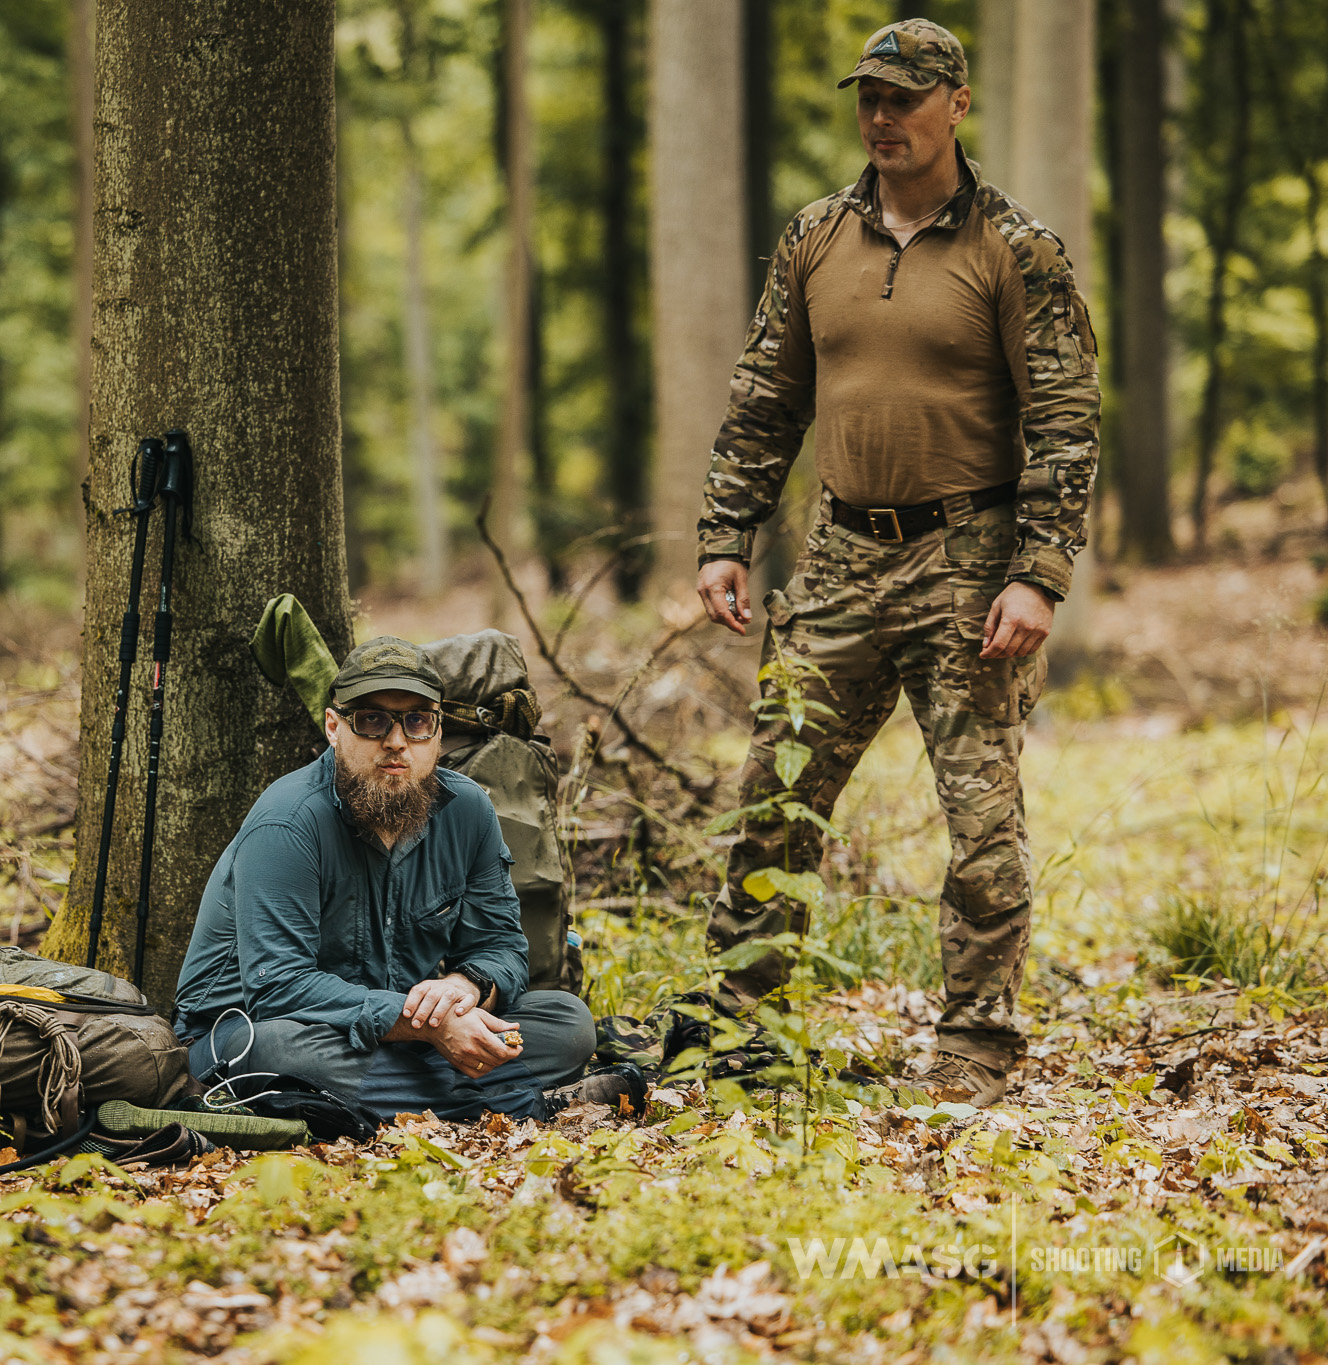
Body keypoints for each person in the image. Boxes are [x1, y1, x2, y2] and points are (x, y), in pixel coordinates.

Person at [686, 19, 1100, 1107]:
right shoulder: (813, 236)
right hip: (835, 558)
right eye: (867, 98)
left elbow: (1064, 419)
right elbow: (763, 397)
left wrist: (1035, 572)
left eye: (902, 99)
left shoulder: (1015, 248)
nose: (880, 118)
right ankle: (743, 1022)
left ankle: (974, 1040)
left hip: (966, 564)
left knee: (979, 820)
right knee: (772, 799)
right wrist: (724, 537)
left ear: (955, 104)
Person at [173, 636, 624, 1122]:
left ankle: (389, 1103)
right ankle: (514, 1100)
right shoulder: (288, 822)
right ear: (333, 726)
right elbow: (278, 987)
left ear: (438, 730)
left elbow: (503, 948)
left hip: (398, 1036)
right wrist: (428, 1025)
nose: (396, 741)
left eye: (417, 721)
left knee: (568, 1022)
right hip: (259, 1031)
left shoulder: (468, 810)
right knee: (271, 1052)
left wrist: (463, 989)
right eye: (371, 720)